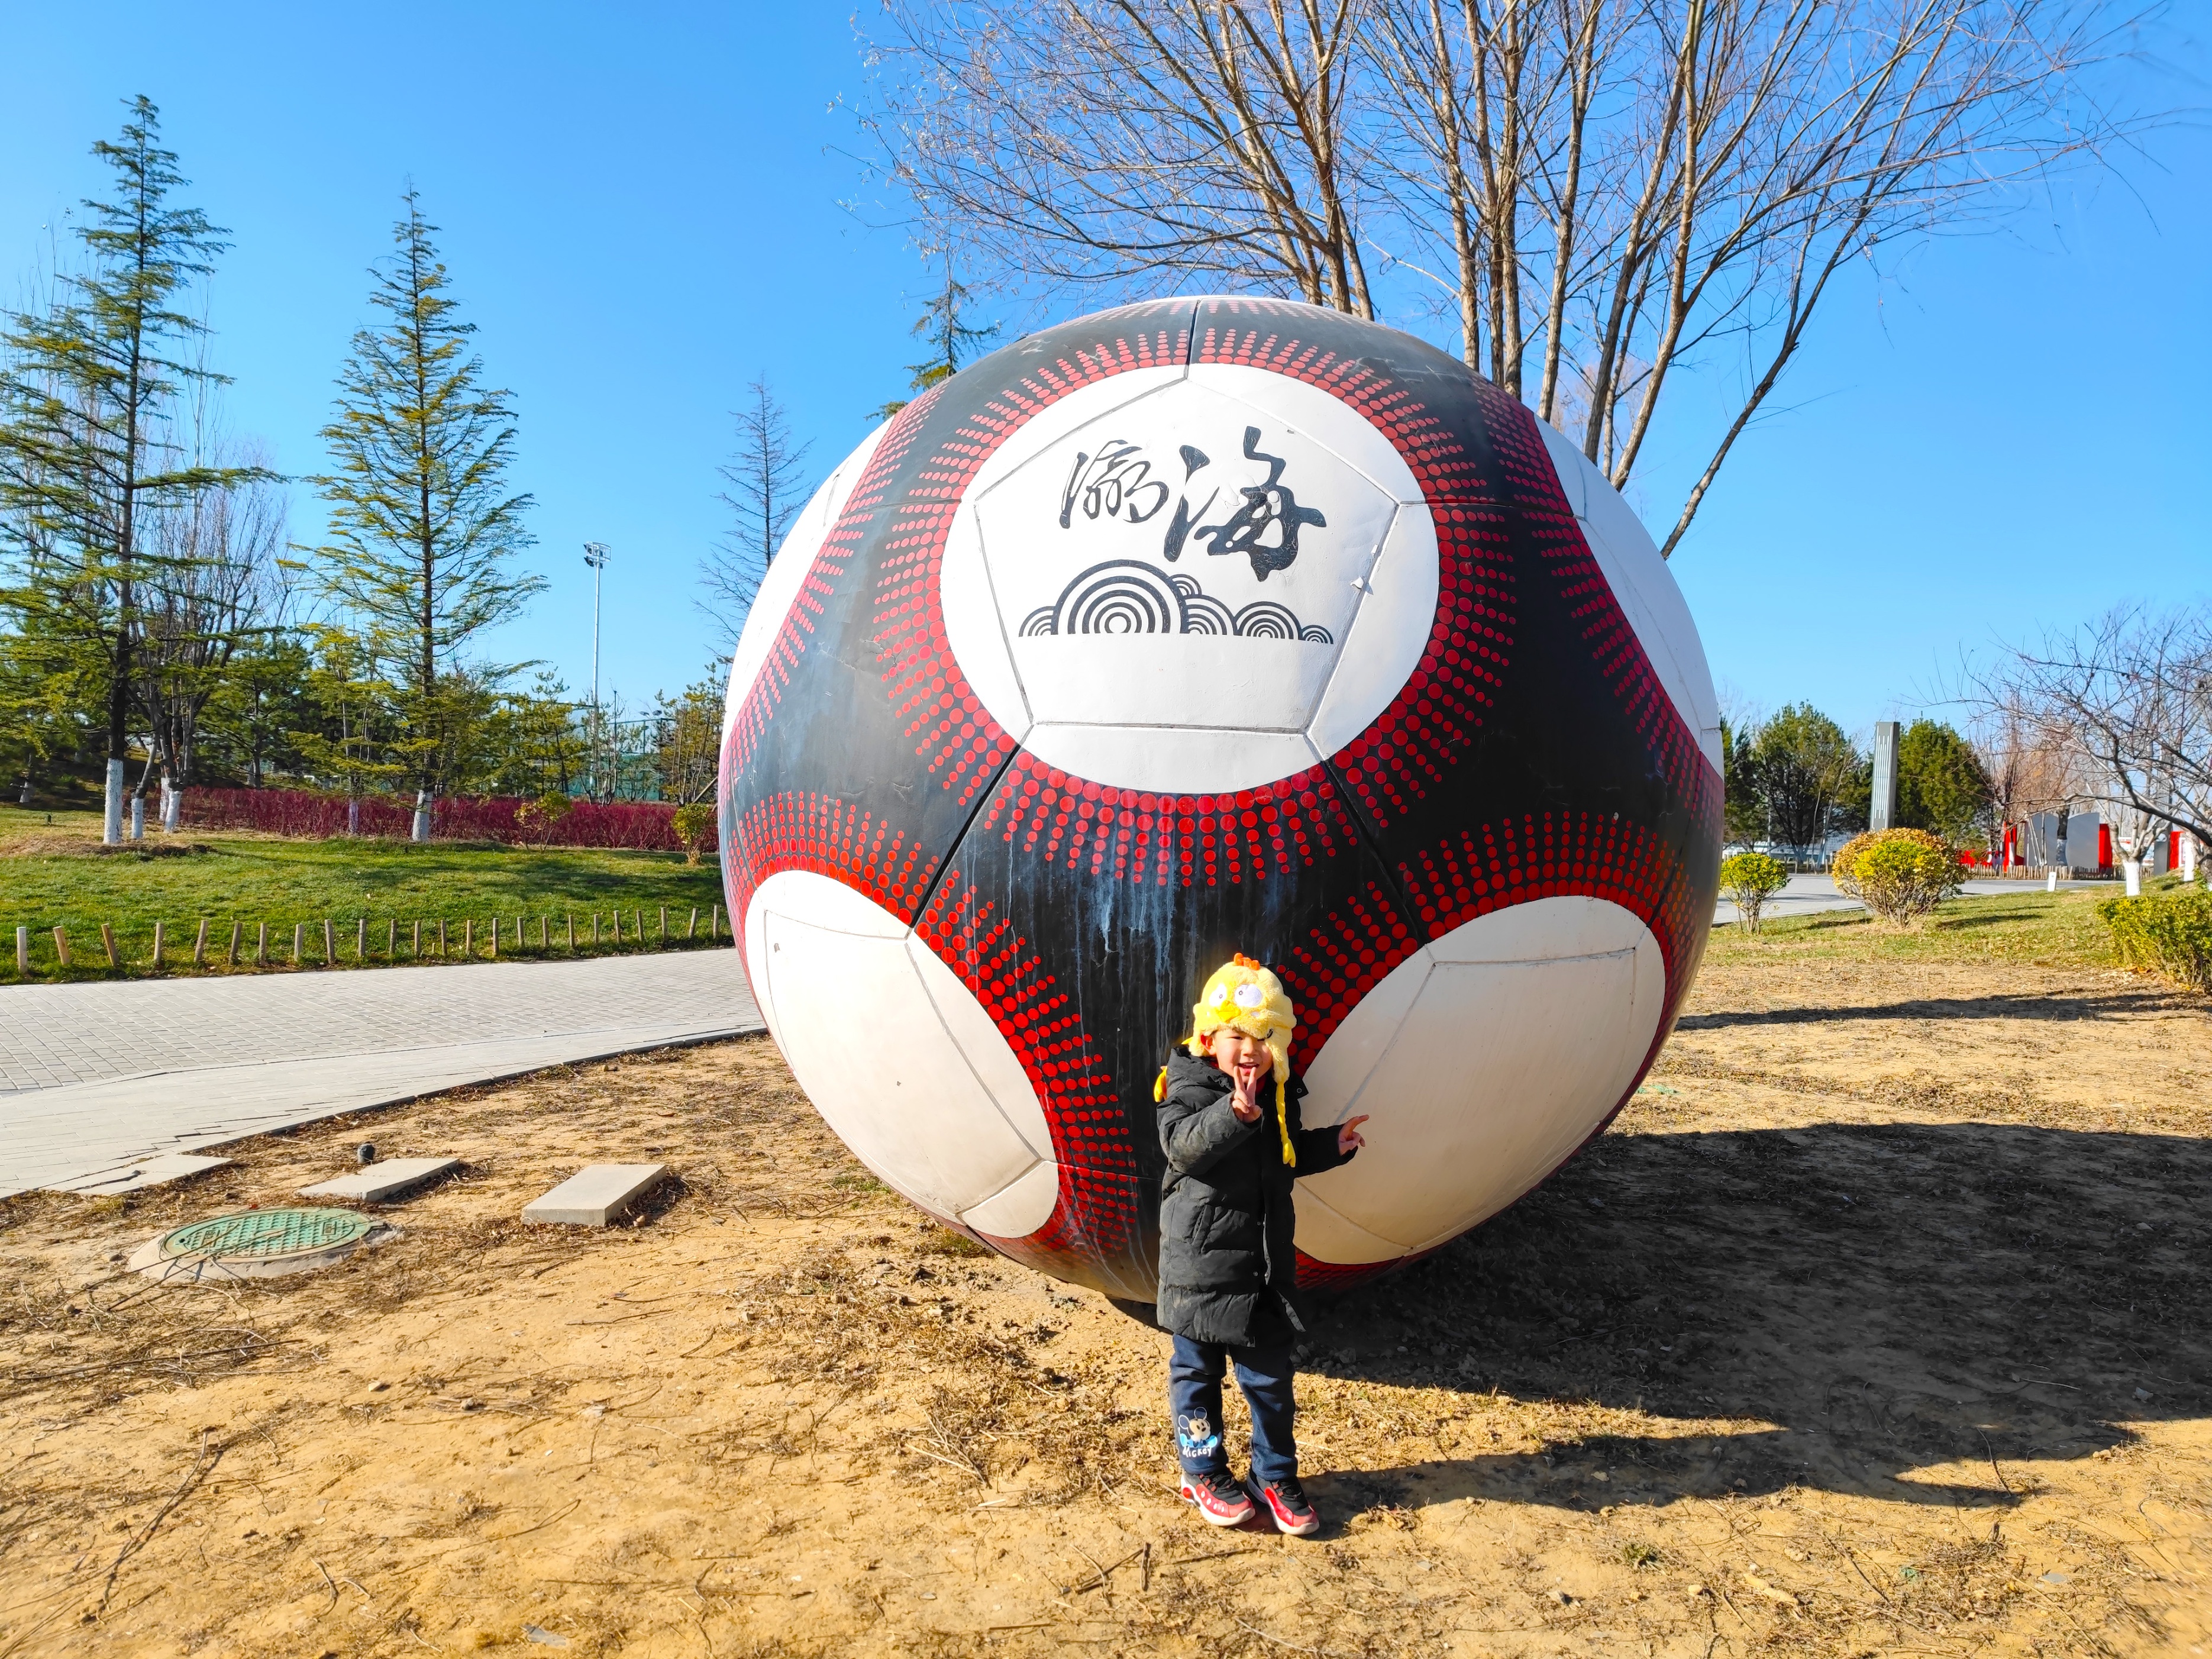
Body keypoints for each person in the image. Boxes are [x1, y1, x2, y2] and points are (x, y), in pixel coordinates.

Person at [1154, 953, 1369, 1536]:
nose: (1250, 1049)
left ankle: (1273, 1474)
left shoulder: (1276, 1096)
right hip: (1198, 1267)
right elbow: (1182, 1148)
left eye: (1264, 1037)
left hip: (1262, 1269)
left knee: (1271, 1382)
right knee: (1195, 1375)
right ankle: (1201, 1468)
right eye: (1236, 1035)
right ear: (1208, 1038)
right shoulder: (1186, 1085)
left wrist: (1331, 1144)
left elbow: (1286, 1155)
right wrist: (1233, 1111)